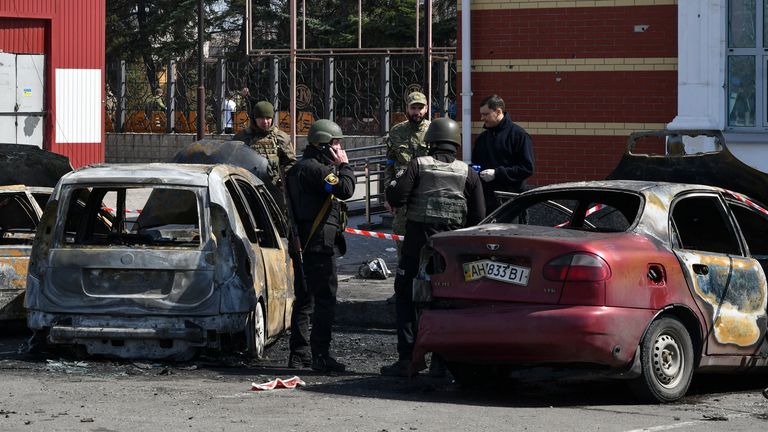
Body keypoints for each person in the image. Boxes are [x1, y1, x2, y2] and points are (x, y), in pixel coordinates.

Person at [380, 117, 486, 377]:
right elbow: (479, 216)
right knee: (445, 300)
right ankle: (443, 360)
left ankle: (408, 359)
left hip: (417, 242)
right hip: (450, 249)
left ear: (430, 142)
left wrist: (395, 184)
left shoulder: (419, 164)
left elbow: (396, 196)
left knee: (405, 296)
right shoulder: (467, 172)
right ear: (455, 143)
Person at [285, 119, 356, 373]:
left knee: (304, 299)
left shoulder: (297, 169)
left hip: (303, 244)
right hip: (319, 245)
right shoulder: (317, 170)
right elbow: (345, 189)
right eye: (335, 144)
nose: (339, 148)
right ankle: (320, 355)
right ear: (324, 145)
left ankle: (299, 354)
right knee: (325, 300)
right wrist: (344, 165)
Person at [383, 91, 431, 302]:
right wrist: (388, 195)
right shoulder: (396, 132)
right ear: (407, 109)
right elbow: (390, 166)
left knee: (427, 246)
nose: (417, 112)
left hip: (427, 197)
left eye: (420, 107)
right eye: (413, 107)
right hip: (403, 199)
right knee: (402, 243)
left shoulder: (434, 131)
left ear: (426, 108)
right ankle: (401, 291)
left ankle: (426, 291)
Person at [471, 94, 534, 213]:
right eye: (481, 114)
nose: (482, 118)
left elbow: (527, 168)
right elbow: (476, 165)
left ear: (498, 111)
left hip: (511, 202)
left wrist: (497, 173)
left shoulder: (518, 136)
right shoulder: (482, 139)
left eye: (486, 114)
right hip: (486, 201)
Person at [232, 100, 297, 188]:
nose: (265, 121)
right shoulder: (242, 137)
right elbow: (231, 160)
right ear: (254, 118)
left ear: (272, 118)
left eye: (268, 118)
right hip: (248, 186)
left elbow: (291, 162)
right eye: (261, 118)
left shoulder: (280, 137)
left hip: (273, 186)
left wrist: (282, 178)